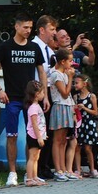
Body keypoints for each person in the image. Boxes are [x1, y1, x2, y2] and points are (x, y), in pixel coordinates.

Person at [0, 13, 48, 187]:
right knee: (12, 135)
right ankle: (12, 173)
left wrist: (45, 96)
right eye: (25, 27)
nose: (28, 30)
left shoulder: (35, 47)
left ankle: (30, 173)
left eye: (30, 27)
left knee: (33, 135)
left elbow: (41, 72)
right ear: (17, 27)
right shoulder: (5, 47)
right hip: (11, 98)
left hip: (31, 100)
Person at [31, 15, 58, 179]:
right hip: (39, 91)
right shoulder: (34, 46)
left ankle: (45, 165)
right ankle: (38, 167)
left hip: (49, 90)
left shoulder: (49, 49)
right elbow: (42, 73)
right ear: (42, 30)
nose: (54, 33)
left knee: (48, 129)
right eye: (52, 29)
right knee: (39, 129)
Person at [49, 48, 77, 181]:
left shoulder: (64, 74)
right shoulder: (56, 75)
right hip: (59, 106)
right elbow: (65, 93)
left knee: (64, 140)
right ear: (62, 61)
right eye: (70, 61)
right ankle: (58, 169)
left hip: (67, 107)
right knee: (57, 140)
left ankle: (64, 169)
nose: (72, 63)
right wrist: (71, 78)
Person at [74, 75, 98, 179]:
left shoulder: (92, 96)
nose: (75, 85)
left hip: (89, 124)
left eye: (77, 83)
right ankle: (78, 169)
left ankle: (92, 169)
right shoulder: (76, 97)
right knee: (77, 147)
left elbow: (96, 112)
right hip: (79, 124)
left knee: (88, 148)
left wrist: (84, 108)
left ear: (84, 84)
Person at [24, 80, 48, 186]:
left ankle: (34, 177)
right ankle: (29, 179)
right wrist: (39, 137)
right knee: (32, 157)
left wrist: (43, 134)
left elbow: (40, 123)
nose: (44, 95)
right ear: (37, 94)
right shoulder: (33, 108)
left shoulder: (37, 106)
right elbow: (34, 124)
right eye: (43, 92)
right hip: (33, 136)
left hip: (38, 135)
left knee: (36, 158)